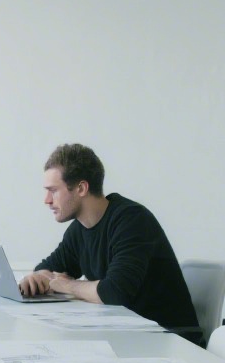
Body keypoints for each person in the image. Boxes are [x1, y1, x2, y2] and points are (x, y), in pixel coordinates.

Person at [18, 144, 200, 340]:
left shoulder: (132, 220)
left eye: (53, 191)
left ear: (81, 188)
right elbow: (48, 268)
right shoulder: (79, 229)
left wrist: (67, 286)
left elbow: (115, 293)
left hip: (168, 340)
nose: (46, 200)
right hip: (127, 335)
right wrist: (38, 277)